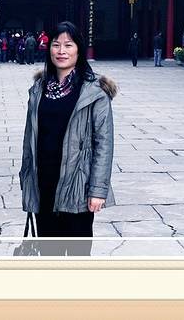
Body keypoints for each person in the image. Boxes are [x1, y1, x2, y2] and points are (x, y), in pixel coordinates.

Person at [19, 21, 117, 256]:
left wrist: (98, 190)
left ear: (79, 50)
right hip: (44, 183)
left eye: (68, 45)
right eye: (56, 45)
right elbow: (29, 138)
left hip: (78, 185)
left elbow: (103, 144)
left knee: (77, 256)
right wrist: (26, 178)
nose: (61, 51)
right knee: (49, 255)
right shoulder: (39, 89)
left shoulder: (95, 91)